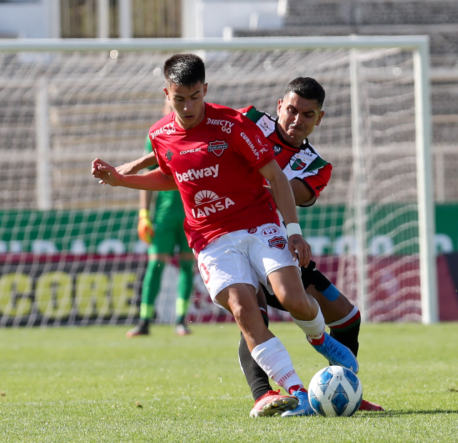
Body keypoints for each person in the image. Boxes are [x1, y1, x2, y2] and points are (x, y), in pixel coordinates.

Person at [92, 53, 358, 417]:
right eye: (178, 98)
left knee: (294, 298)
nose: (187, 107)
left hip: (258, 224)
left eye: (195, 97)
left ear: (206, 90)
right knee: (243, 309)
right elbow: (172, 174)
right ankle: (291, 392)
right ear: (166, 93)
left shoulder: (236, 126)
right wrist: (124, 178)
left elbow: (278, 179)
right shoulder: (161, 133)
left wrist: (294, 232)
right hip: (210, 237)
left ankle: (319, 339)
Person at [127, 102, 195, 338]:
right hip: (164, 216)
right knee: (155, 265)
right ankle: (145, 320)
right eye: (170, 106)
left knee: (187, 266)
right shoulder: (157, 135)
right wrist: (143, 215)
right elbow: (147, 177)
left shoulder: (196, 133)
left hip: (192, 216)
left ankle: (181, 320)